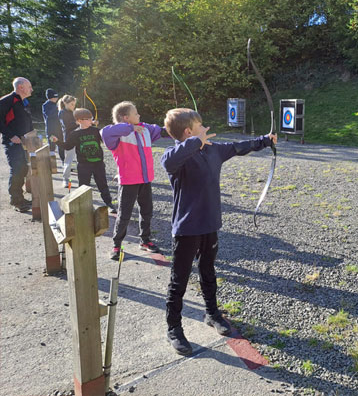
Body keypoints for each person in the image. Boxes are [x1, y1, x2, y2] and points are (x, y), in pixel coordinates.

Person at [160, 107, 277, 355]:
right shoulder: (176, 156)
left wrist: (265, 141)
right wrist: (194, 142)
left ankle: (212, 314)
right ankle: (174, 329)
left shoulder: (212, 150)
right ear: (188, 131)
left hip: (210, 224)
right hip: (187, 229)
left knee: (208, 270)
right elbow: (168, 162)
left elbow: (237, 147)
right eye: (201, 126)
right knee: (178, 281)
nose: (206, 129)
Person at [101, 101, 164, 261]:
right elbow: (104, 132)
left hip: (145, 179)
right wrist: (130, 128)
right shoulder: (117, 134)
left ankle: (145, 240)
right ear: (126, 118)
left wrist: (184, 129)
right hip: (128, 181)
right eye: (136, 113)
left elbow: (164, 131)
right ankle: (117, 244)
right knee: (124, 214)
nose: (139, 115)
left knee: (147, 211)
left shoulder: (145, 129)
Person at [51, 108, 116, 212]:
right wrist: (57, 141)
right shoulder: (74, 134)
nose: (91, 120)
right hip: (84, 165)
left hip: (98, 164)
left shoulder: (96, 131)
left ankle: (109, 204)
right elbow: (67, 146)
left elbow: (107, 140)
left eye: (91, 118)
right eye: (88, 119)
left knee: (103, 185)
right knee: (83, 187)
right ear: (79, 121)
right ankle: (84, 208)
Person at [0, 77, 34, 212]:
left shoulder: (24, 101)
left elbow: (28, 120)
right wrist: (11, 135)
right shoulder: (7, 100)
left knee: (24, 168)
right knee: (17, 169)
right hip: (12, 143)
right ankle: (16, 201)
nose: (32, 89)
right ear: (20, 87)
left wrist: (33, 135)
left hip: (25, 142)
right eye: (29, 86)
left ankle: (20, 197)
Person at [58, 95, 78, 188]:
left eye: (74, 104)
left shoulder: (74, 112)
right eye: (72, 104)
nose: (73, 106)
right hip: (69, 139)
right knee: (69, 160)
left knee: (80, 159)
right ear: (65, 103)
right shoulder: (62, 113)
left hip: (78, 137)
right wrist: (77, 123)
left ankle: (83, 179)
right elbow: (67, 125)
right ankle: (66, 180)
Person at [42, 88, 64, 164]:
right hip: (51, 130)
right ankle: (51, 163)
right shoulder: (46, 105)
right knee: (51, 146)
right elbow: (49, 115)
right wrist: (57, 108)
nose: (56, 99)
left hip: (59, 129)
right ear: (51, 97)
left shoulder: (57, 104)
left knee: (61, 145)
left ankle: (63, 161)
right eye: (55, 97)